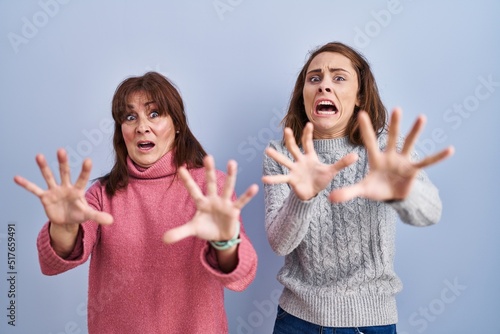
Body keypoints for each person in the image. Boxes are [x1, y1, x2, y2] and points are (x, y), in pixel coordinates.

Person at [14, 71, 259, 333]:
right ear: (122, 132)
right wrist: (62, 227)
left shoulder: (210, 187)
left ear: (177, 125)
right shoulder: (102, 194)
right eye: (130, 117)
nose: (142, 126)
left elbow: (240, 276)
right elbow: (54, 262)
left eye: (154, 114)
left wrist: (225, 241)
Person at [262, 42, 454, 334]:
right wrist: (303, 197)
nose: (324, 86)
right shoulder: (283, 155)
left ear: (360, 96)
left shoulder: (385, 150)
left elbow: (430, 212)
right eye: (314, 78)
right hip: (295, 320)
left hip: (369, 322)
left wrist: (403, 191)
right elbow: (280, 244)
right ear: (303, 95)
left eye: (338, 78)